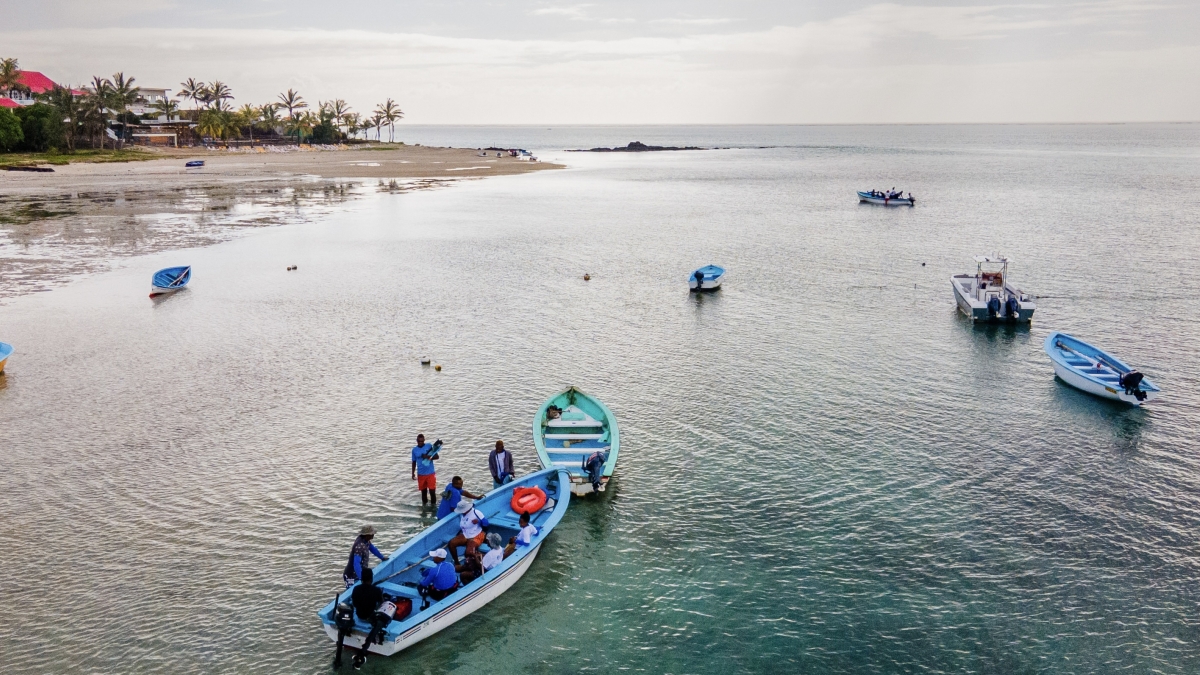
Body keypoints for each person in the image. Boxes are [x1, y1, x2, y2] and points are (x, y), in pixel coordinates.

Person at [447, 500, 488, 565]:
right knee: (451, 544)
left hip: (477, 534)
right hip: (466, 534)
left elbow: (486, 523)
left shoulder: (476, 512)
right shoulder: (462, 515)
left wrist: (478, 522)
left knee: (468, 553)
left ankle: (483, 558)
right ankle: (457, 562)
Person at [410, 434, 440, 507]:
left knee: (432, 492)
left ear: (424, 440)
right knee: (423, 493)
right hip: (421, 474)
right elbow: (414, 462)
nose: (420, 442)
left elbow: (437, 456)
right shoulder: (414, 450)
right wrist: (412, 473)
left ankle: (433, 508)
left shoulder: (429, 446)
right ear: (417, 441)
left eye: (422, 441)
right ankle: (424, 508)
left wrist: (426, 456)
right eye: (419, 441)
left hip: (430, 473)